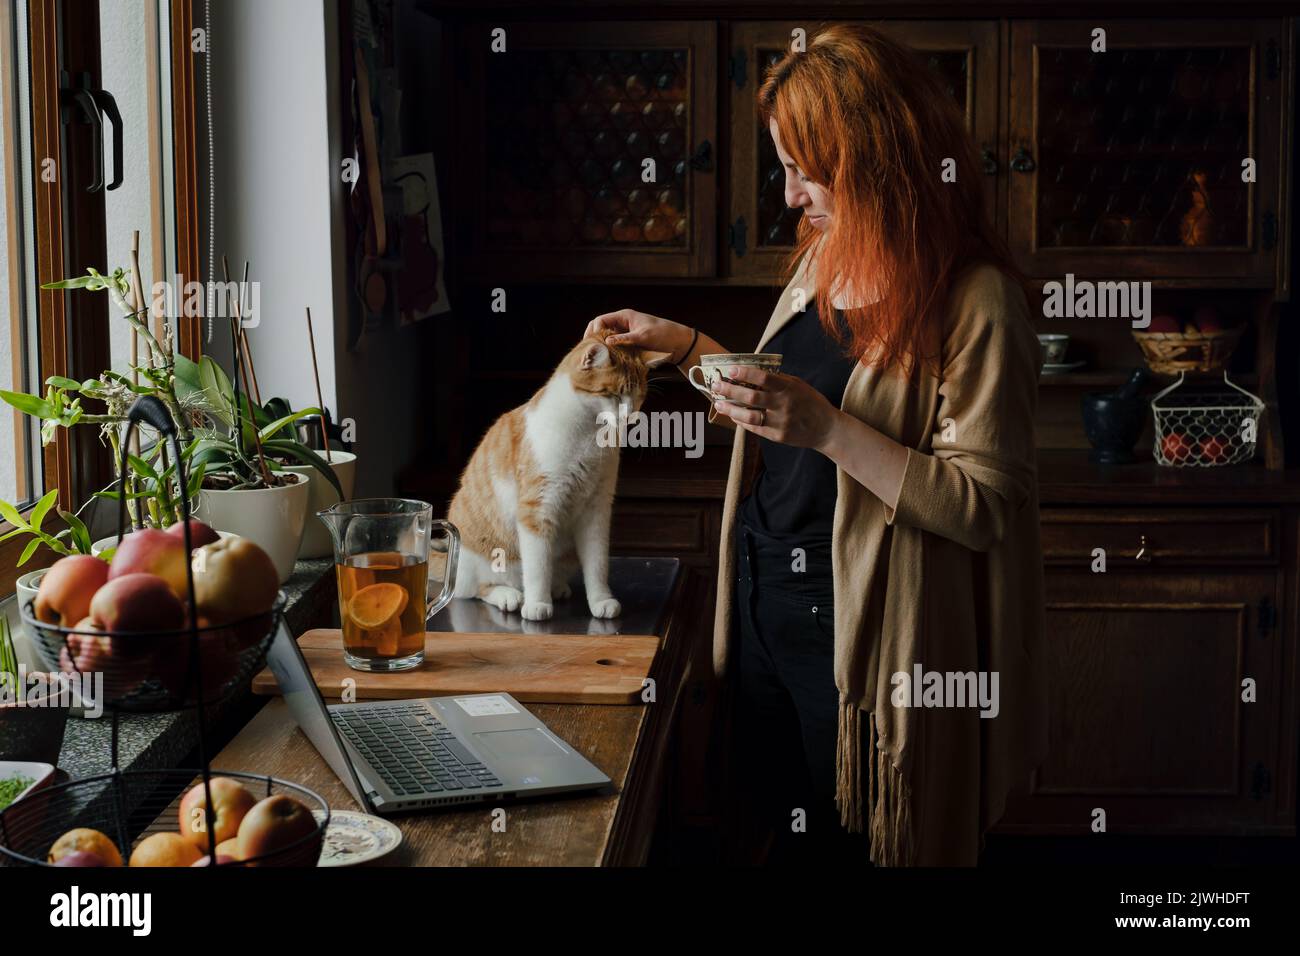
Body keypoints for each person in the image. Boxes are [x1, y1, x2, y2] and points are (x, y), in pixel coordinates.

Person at [586, 23, 1047, 866]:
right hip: (762, 588)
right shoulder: (826, 259)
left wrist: (831, 431)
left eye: (805, 169)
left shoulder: (976, 302)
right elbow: (786, 402)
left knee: (855, 844)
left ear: (875, 159)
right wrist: (687, 347)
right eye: (784, 167)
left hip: (862, 619)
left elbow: (982, 506)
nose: (791, 195)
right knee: (772, 830)